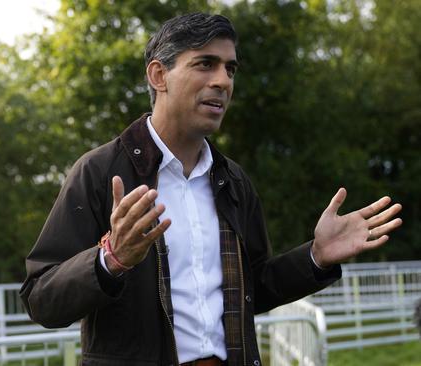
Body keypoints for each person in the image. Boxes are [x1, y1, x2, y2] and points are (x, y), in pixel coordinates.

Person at [20, 13, 403, 366]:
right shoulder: (100, 171)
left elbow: (253, 291)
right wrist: (110, 259)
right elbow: (41, 300)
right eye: (205, 64)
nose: (223, 81)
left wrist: (316, 257)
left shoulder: (233, 181)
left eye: (230, 69)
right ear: (159, 75)